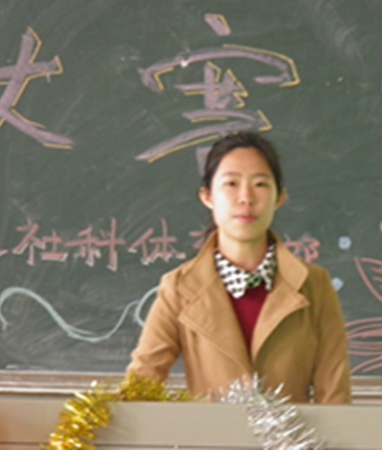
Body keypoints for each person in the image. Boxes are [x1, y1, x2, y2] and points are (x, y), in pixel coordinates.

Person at [127, 132, 351, 404]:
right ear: (207, 196)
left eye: (260, 184)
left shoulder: (314, 284)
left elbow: (335, 395)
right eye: (231, 183)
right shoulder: (179, 287)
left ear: (279, 198)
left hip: (294, 433)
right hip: (209, 432)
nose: (246, 197)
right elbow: (141, 384)